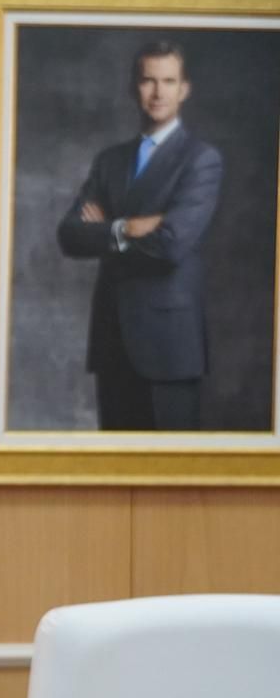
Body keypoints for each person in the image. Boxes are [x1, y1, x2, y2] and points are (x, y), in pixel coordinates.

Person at [57, 40, 223, 431]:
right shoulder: (110, 160)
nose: (158, 92)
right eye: (149, 80)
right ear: (135, 87)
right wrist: (127, 227)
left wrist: (105, 230)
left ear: (184, 89)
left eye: (169, 81)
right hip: (112, 340)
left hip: (169, 346)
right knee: (115, 463)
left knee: (171, 466)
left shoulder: (201, 160)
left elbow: (171, 245)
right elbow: (70, 235)